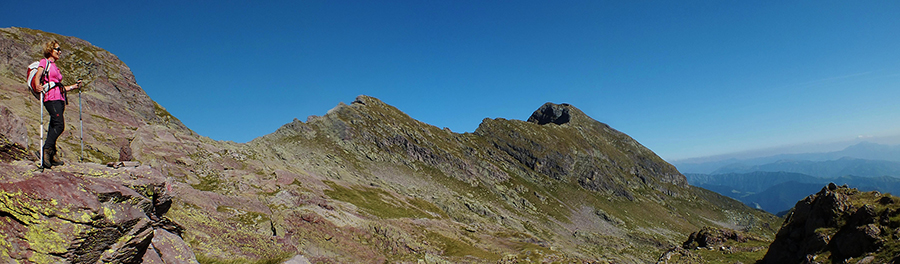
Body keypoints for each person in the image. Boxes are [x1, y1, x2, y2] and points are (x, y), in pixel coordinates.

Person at [31, 40, 81, 168]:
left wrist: (74, 86)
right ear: (50, 50)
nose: (60, 52)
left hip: (60, 98)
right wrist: (37, 86)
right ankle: (46, 150)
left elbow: (59, 86)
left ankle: (52, 154)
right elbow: (38, 76)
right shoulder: (45, 62)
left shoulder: (55, 67)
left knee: (54, 124)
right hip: (50, 98)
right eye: (57, 49)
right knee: (59, 125)